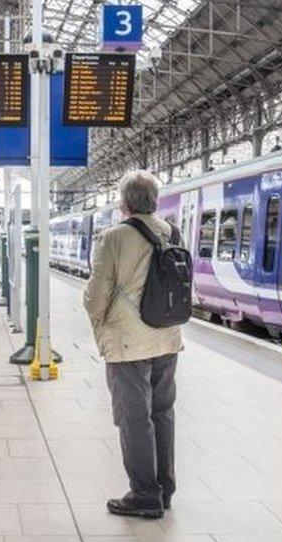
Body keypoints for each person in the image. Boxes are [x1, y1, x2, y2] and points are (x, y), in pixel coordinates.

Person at [82, 171, 183, 520]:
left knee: (134, 418)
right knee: (162, 413)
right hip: (167, 338)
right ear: (154, 200)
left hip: (128, 345)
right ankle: (164, 489)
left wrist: (99, 324)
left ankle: (143, 494)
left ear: (124, 202)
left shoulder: (113, 238)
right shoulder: (171, 232)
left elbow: (96, 297)